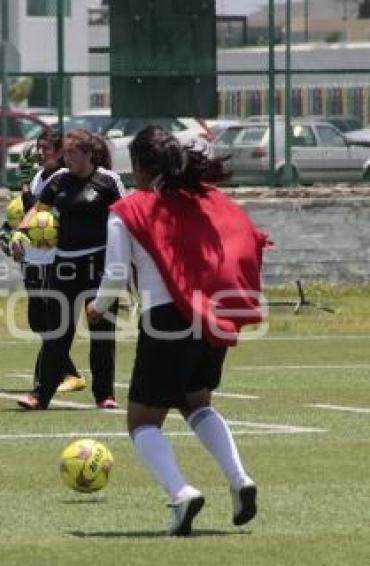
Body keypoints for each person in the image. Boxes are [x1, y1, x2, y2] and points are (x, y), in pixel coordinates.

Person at [87, 125, 266, 536]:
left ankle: (181, 493)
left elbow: (115, 274)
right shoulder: (206, 199)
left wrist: (97, 308)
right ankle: (240, 480)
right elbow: (244, 237)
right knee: (195, 401)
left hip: (168, 318)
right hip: (210, 315)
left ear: (138, 166)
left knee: (142, 421)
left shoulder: (130, 208)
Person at [13, 129, 126, 410]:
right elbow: (38, 210)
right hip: (63, 266)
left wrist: (128, 260)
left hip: (99, 265)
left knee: (102, 331)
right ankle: (40, 395)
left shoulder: (108, 181)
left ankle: (104, 394)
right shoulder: (59, 180)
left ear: (88, 155)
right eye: (66, 154)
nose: (68, 159)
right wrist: (20, 234)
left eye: (72, 154)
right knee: (57, 331)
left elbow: (127, 217)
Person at [11, 131, 85, 393]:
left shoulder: (61, 178)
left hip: (52, 259)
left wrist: (24, 189)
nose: (41, 153)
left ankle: (61, 375)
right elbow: (27, 211)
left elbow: (40, 209)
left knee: (49, 320)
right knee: (38, 320)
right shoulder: (39, 175)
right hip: (34, 257)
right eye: (39, 148)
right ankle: (65, 371)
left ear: (61, 152)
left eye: (47, 148)